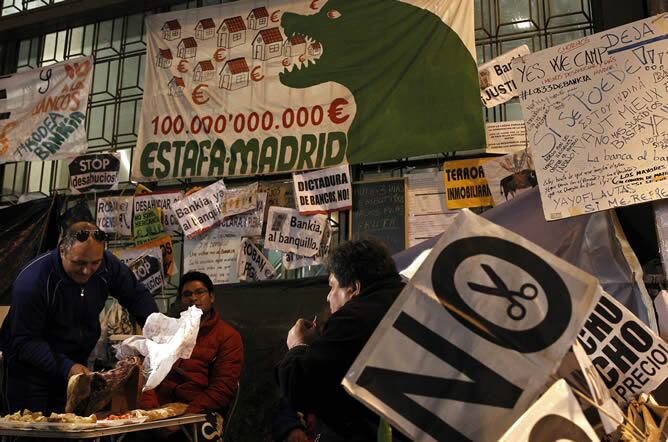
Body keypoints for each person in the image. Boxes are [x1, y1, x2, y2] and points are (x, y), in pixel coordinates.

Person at [0, 220, 159, 414]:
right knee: (32, 429)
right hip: (30, 370)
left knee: (71, 426)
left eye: (95, 263)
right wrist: (68, 367)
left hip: (75, 362)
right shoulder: (33, 281)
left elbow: (136, 296)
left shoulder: (107, 265)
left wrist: (159, 333)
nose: (87, 271)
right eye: (79, 263)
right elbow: (24, 341)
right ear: (62, 251)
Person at [275, 238, 406, 441]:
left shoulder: (354, 319)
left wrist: (297, 345)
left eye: (333, 286)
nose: (328, 297)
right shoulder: (408, 301)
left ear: (353, 288)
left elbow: (298, 387)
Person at [140, 271, 243, 416]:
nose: (193, 298)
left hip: (199, 411)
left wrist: (187, 415)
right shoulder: (169, 330)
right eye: (187, 294)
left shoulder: (228, 337)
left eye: (200, 292)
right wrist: (149, 409)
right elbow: (149, 373)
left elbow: (222, 388)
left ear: (211, 296)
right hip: (159, 408)